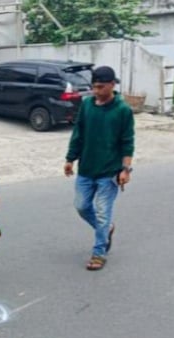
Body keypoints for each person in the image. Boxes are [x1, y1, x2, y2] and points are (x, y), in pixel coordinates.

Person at [64, 66, 135, 271]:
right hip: (86, 169)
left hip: (109, 173)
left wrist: (125, 170)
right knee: (81, 206)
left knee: (103, 213)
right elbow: (78, 133)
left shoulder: (123, 110)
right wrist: (70, 159)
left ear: (112, 85)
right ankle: (106, 229)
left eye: (101, 87)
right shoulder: (87, 105)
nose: (96, 91)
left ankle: (99, 252)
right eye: (94, 87)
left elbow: (127, 142)